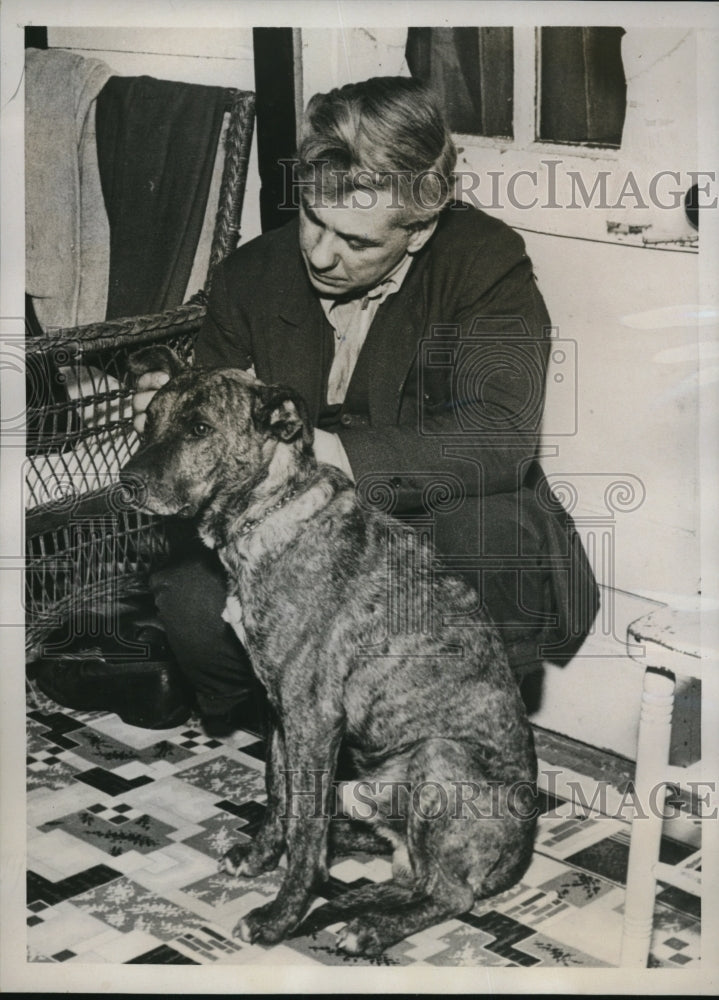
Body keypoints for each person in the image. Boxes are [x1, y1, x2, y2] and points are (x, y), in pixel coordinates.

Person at [45, 77, 600, 733]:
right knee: (190, 594)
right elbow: (216, 425)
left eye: (357, 242)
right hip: (288, 521)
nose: (319, 253)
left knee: (486, 541)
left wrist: (330, 452)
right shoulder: (249, 277)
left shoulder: (482, 261)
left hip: (427, 514)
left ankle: (449, 732)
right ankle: (284, 733)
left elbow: (501, 436)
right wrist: (169, 417)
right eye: (312, 216)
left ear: (417, 232)